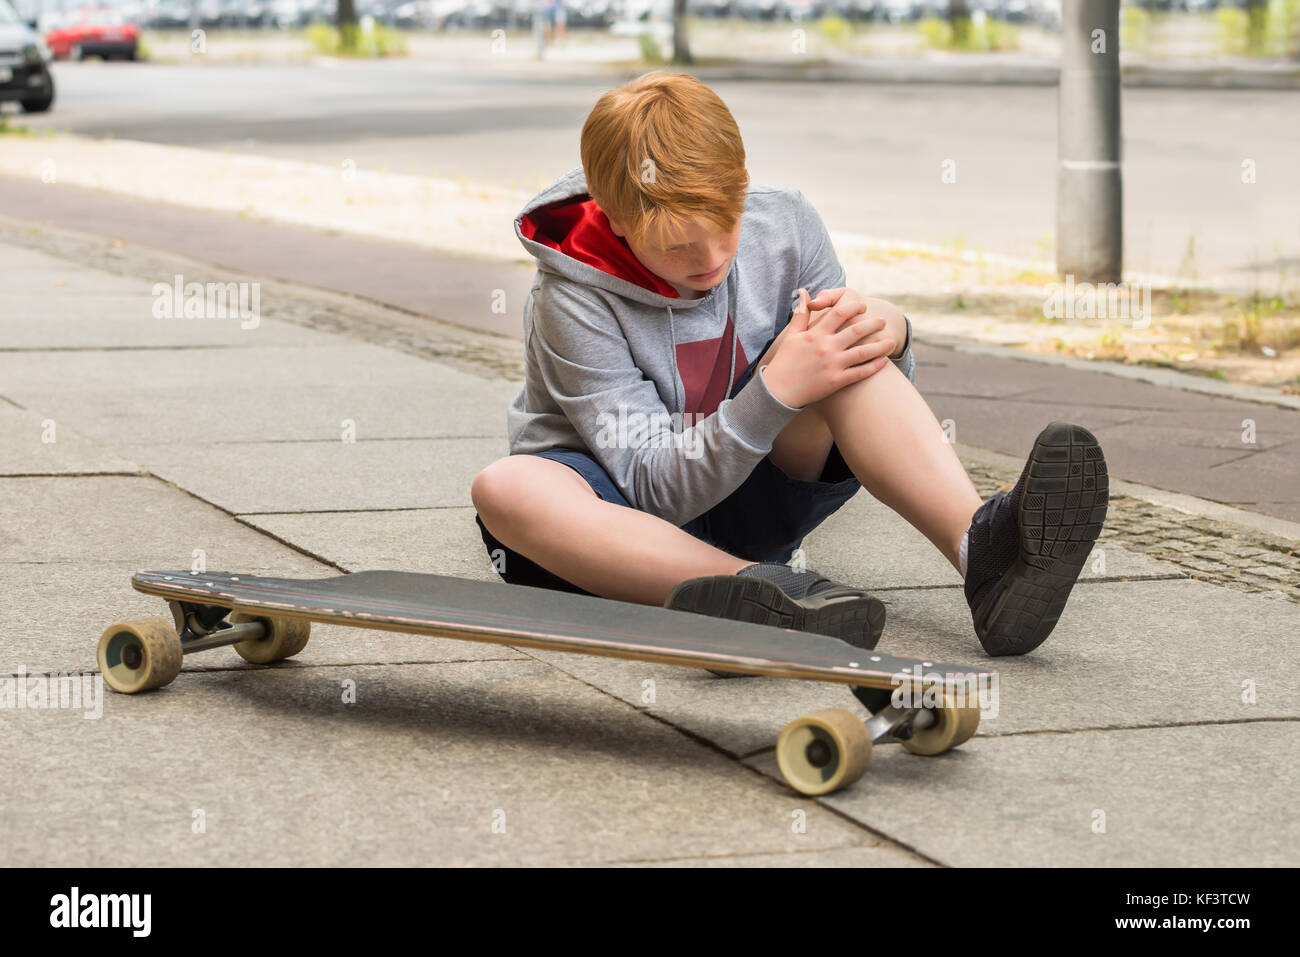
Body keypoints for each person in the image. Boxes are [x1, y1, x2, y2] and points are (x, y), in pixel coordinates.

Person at [472, 72, 1108, 659]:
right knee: (506, 487)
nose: (712, 258)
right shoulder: (569, 298)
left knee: (841, 352)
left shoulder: (787, 221)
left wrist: (890, 333)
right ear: (615, 221)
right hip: (616, 525)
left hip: (752, 498)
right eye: (675, 245)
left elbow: (865, 417)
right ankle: (763, 598)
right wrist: (776, 390)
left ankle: (985, 556)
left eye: (726, 226)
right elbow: (651, 490)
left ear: (742, 186)